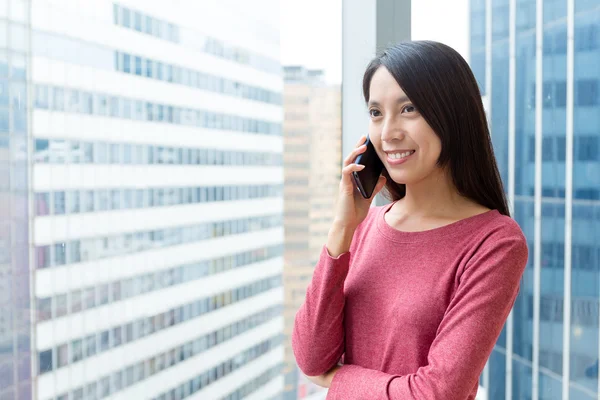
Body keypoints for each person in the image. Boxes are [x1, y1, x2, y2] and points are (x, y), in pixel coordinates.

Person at [291, 41, 529, 400]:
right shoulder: (364, 227)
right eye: (375, 112)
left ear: (452, 114)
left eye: (409, 108)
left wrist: (339, 379)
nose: (387, 133)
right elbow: (311, 357)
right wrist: (342, 230)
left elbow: (437, 393)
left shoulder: (494, 242)